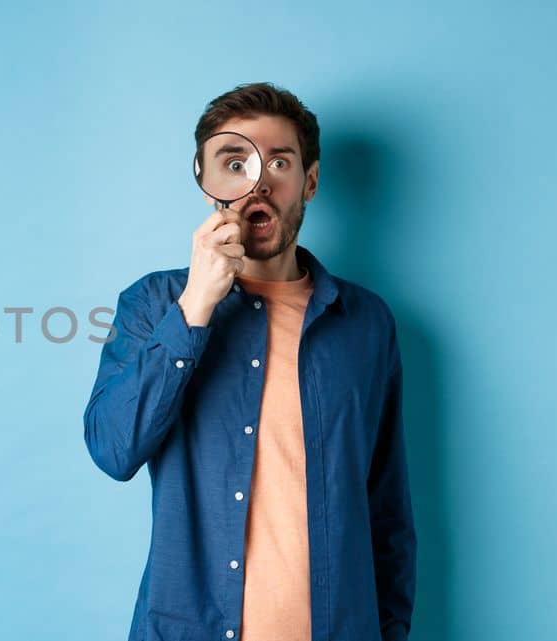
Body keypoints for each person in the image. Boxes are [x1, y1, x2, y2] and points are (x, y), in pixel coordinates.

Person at [83, 82, 416, 641]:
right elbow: (113, 449)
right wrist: (196, 307)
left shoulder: (367, 323)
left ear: (308, 182)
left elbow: (387, 510)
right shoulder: (154, 304)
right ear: (207, 183)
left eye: (278, 162)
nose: (257, 180)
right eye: (234, 162)